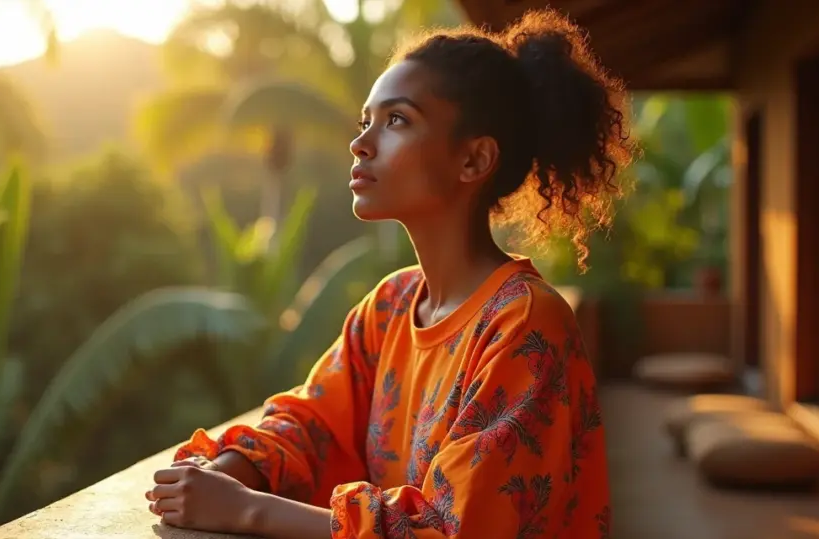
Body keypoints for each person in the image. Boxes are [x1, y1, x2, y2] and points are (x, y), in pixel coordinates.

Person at [146, 7, 635, 538]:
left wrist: (245, 509)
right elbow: (311, 425)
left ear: (474, 160)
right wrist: (222, 474)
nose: (361, 143)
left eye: (396, 120)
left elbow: (454, 529)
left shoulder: (527, 326)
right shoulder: (390, 306)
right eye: (366, 122)